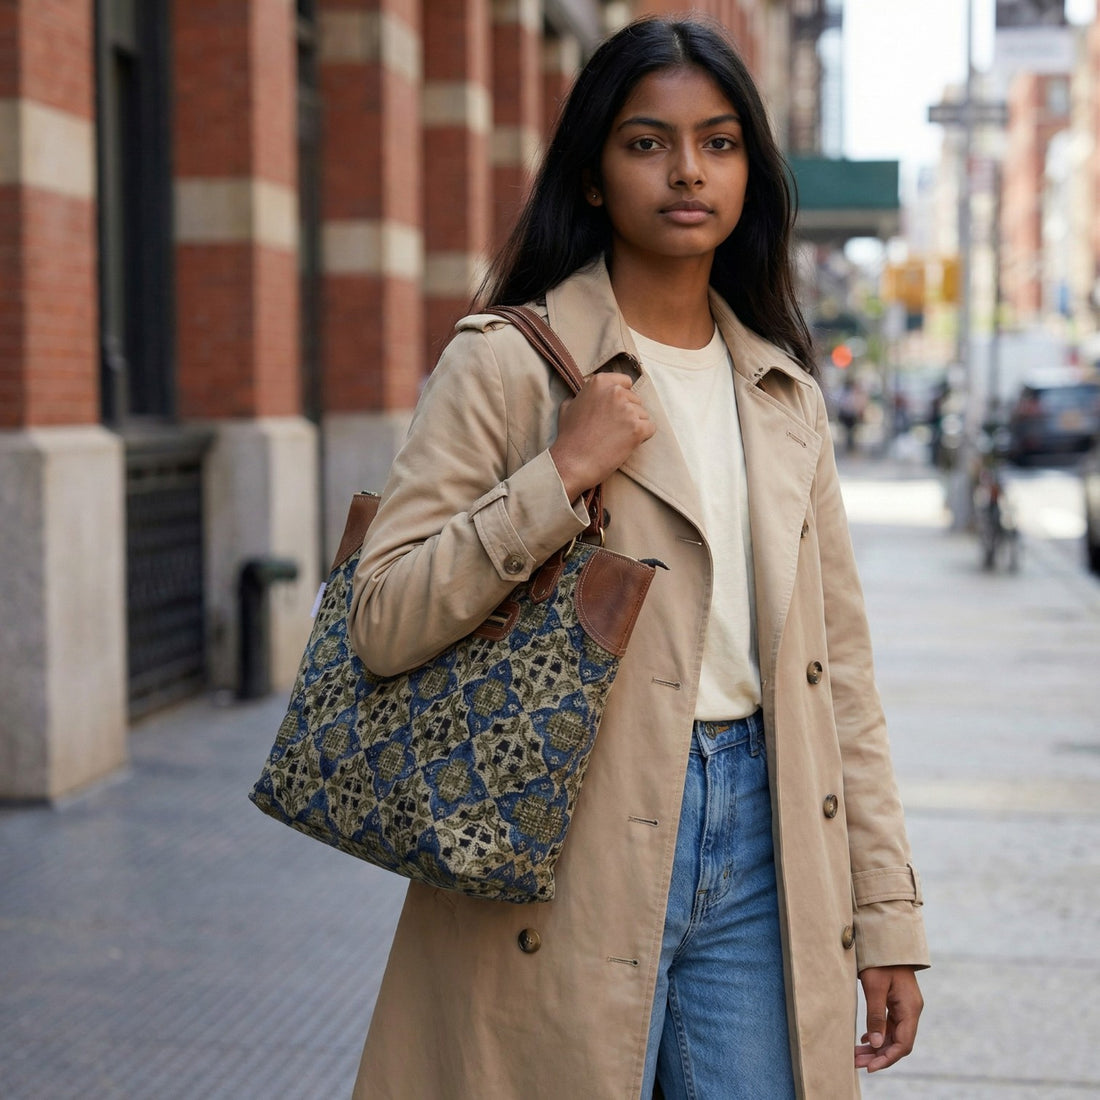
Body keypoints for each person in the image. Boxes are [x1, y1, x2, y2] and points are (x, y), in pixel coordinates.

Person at [347, 16, 928, 1099]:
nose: (685, 171)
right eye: (645, 142)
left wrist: (885, 910)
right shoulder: (506, 365)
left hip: (764, 842)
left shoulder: (782, 393)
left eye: (716, 142)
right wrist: (556, 475)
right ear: (592, 175)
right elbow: (379, 618)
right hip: (562, 839)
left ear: (751, 170)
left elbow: (837, 673)